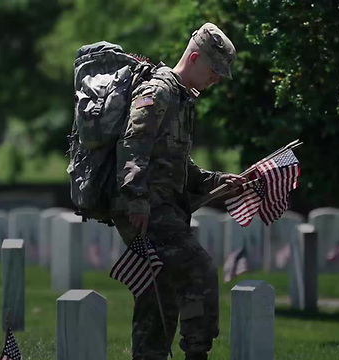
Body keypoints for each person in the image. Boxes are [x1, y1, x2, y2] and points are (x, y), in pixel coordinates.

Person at [112, 22, 243, 360]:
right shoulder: (158, 92)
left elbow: (179, 165)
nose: (216, 78)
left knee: (160, 293)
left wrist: (218, 181)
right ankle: (197, 351)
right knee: (198, 270)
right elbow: (132, 146)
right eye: (214, 70)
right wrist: (137, 201)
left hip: (166, 207)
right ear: (195, 57)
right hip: (149, 210)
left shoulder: (182, 100)